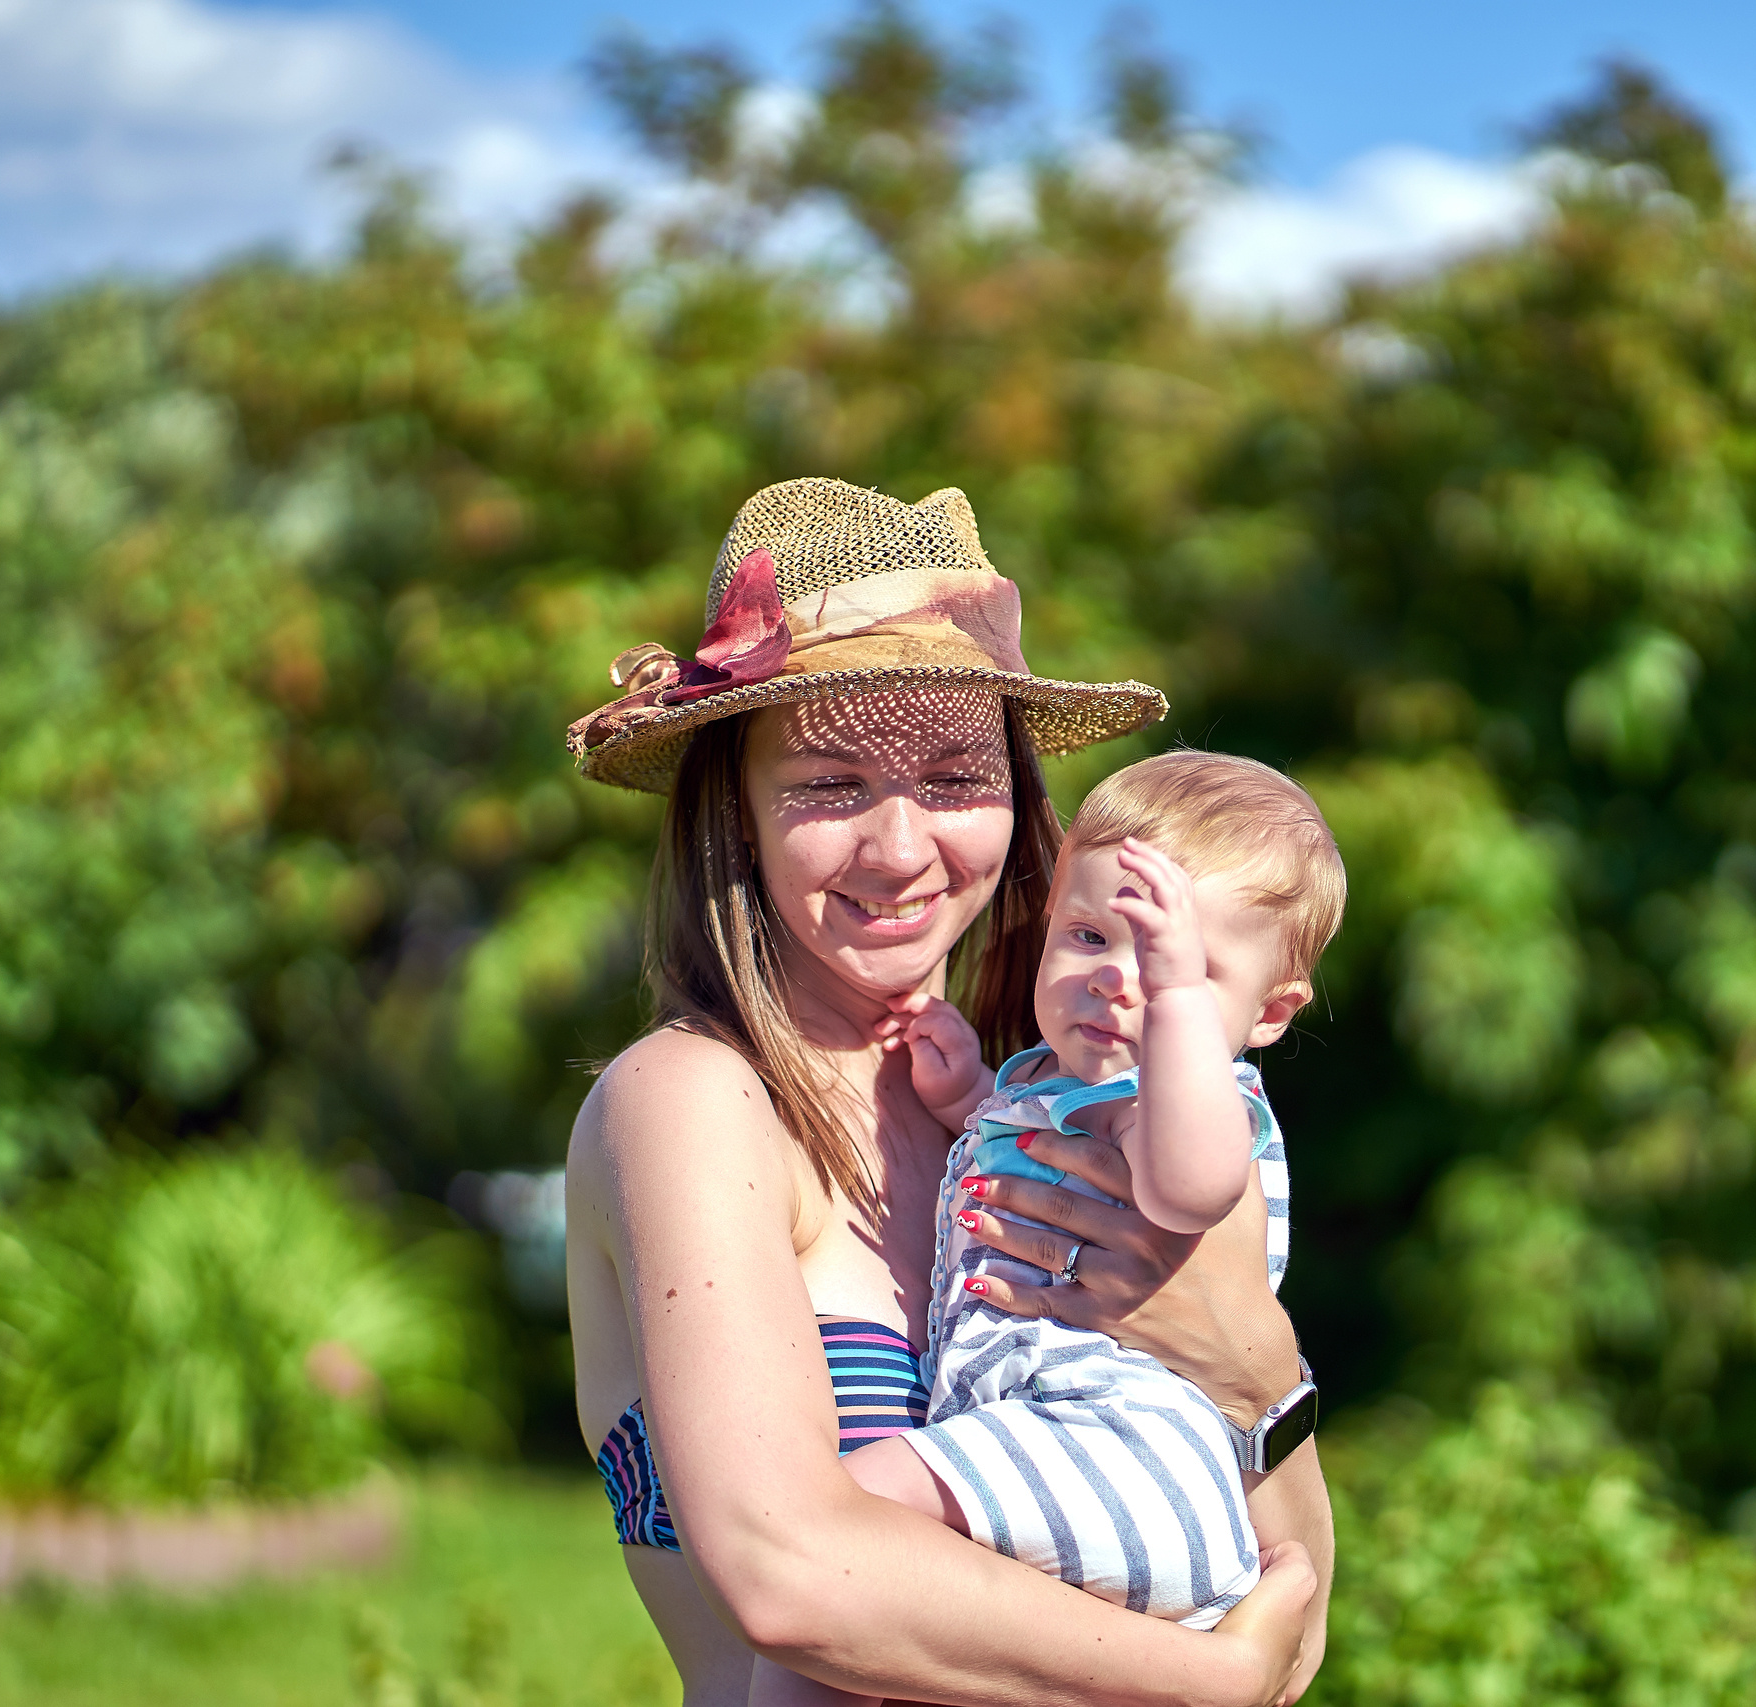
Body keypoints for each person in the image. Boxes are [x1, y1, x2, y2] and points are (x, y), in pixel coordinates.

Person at [559, 478, 1331, 1707]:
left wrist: (1253, 1366)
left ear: (1021, 801)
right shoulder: (697, 1103)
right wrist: (1199, 1686)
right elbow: (788, 1574)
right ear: (733, 808)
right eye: (827, 783)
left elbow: (1284, 1606)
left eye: (957, 777)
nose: (902, 847)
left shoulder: (1025, 1110)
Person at [754, 752, 1343, 1707]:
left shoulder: (1196, 1101)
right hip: (1059, 1452)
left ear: (1268, 1011)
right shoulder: (1051, 1083)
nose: (1121, 979)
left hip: (1119, 1452)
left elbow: (1189, 1186)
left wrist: (1180, 1011)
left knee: (837, 1524)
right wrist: (971, 1100)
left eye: (1176, 961)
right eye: (1089, 935)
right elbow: (1044, 1157)